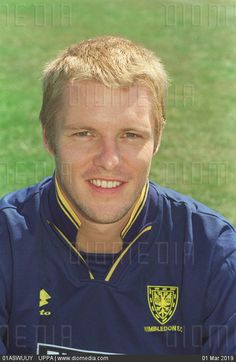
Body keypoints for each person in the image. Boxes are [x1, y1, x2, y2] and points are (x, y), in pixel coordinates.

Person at [0, 35, 236, 356]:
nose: (109, 160)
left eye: (130, 135)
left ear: (157, 140)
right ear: (48, 137)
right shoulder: (6, 242)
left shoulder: (212, 253)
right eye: (85, 134)